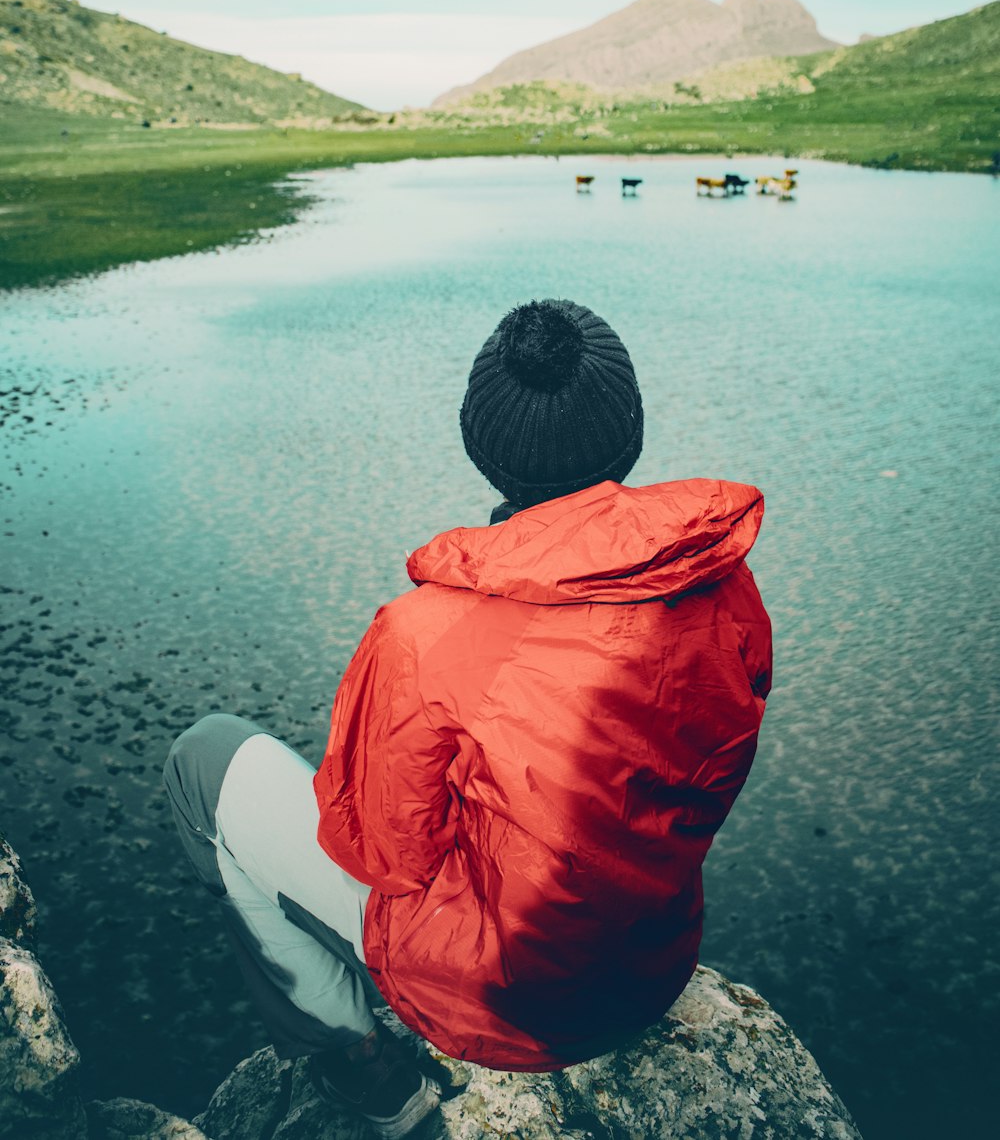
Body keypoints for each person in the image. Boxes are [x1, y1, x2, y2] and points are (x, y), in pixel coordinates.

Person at [164, 299, 772, 1138]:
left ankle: (368, 1072)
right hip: (648, 971)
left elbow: (377, 854)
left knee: (204, 762)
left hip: (504, 1006)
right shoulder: (723, 585)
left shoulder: (425, 631)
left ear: (482, 449)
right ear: (627, 433)